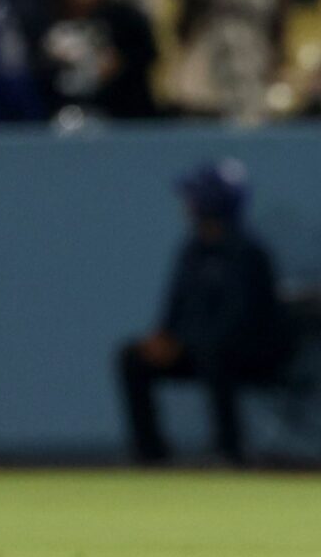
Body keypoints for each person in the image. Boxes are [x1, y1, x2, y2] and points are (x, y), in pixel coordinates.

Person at [116, 160, 292, 465]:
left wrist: (184, 342)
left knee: (215, 352)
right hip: (197, 347)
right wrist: (164, 336)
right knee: (132, 357)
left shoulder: (249, 253)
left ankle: (229, 449)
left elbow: (239, 318)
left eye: (194, 196)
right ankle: (150, 453)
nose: (187, 204)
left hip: (250, 352)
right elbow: (176, 306)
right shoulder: (191, 250)